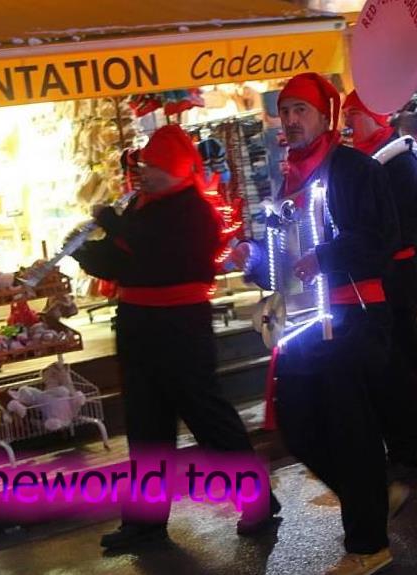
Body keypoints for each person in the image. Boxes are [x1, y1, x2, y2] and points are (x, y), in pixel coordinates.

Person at [72, 124, 280, 552]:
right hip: (138, 322)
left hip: (180, 325)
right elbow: (123, 262)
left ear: (175, 169)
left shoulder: (194, 211)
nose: (144, 172)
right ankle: (145, 522)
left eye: (153, 166)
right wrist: (86, 253)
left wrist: (115, 227)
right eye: (145, 164)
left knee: (208, 418)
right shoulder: (140, 206)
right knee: (146, 426)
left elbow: (161, 254)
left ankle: (257, 501)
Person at [231, 73, 399, 575]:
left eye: (300, 110)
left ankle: (368, 544)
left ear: (326, 116)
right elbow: (284, 266)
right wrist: (253, 260)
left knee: (351, 431)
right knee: (298, 427)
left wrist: (326, 257)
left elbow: (382, 239)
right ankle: (370, 496)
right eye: (285, 111)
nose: (290, 119)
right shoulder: (287, 180)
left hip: (351, 319)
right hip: (303, 327)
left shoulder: (354, 170)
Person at [343, 90, 417, 483]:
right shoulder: (364, 162)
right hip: (376, 279)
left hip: (394, 278)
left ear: (374, 117)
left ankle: (407, 450)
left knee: (400, 364)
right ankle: (397, 443)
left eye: (354, 113)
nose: (348, 122)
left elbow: (398, 226)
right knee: (384, 363)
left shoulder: (397, 162)